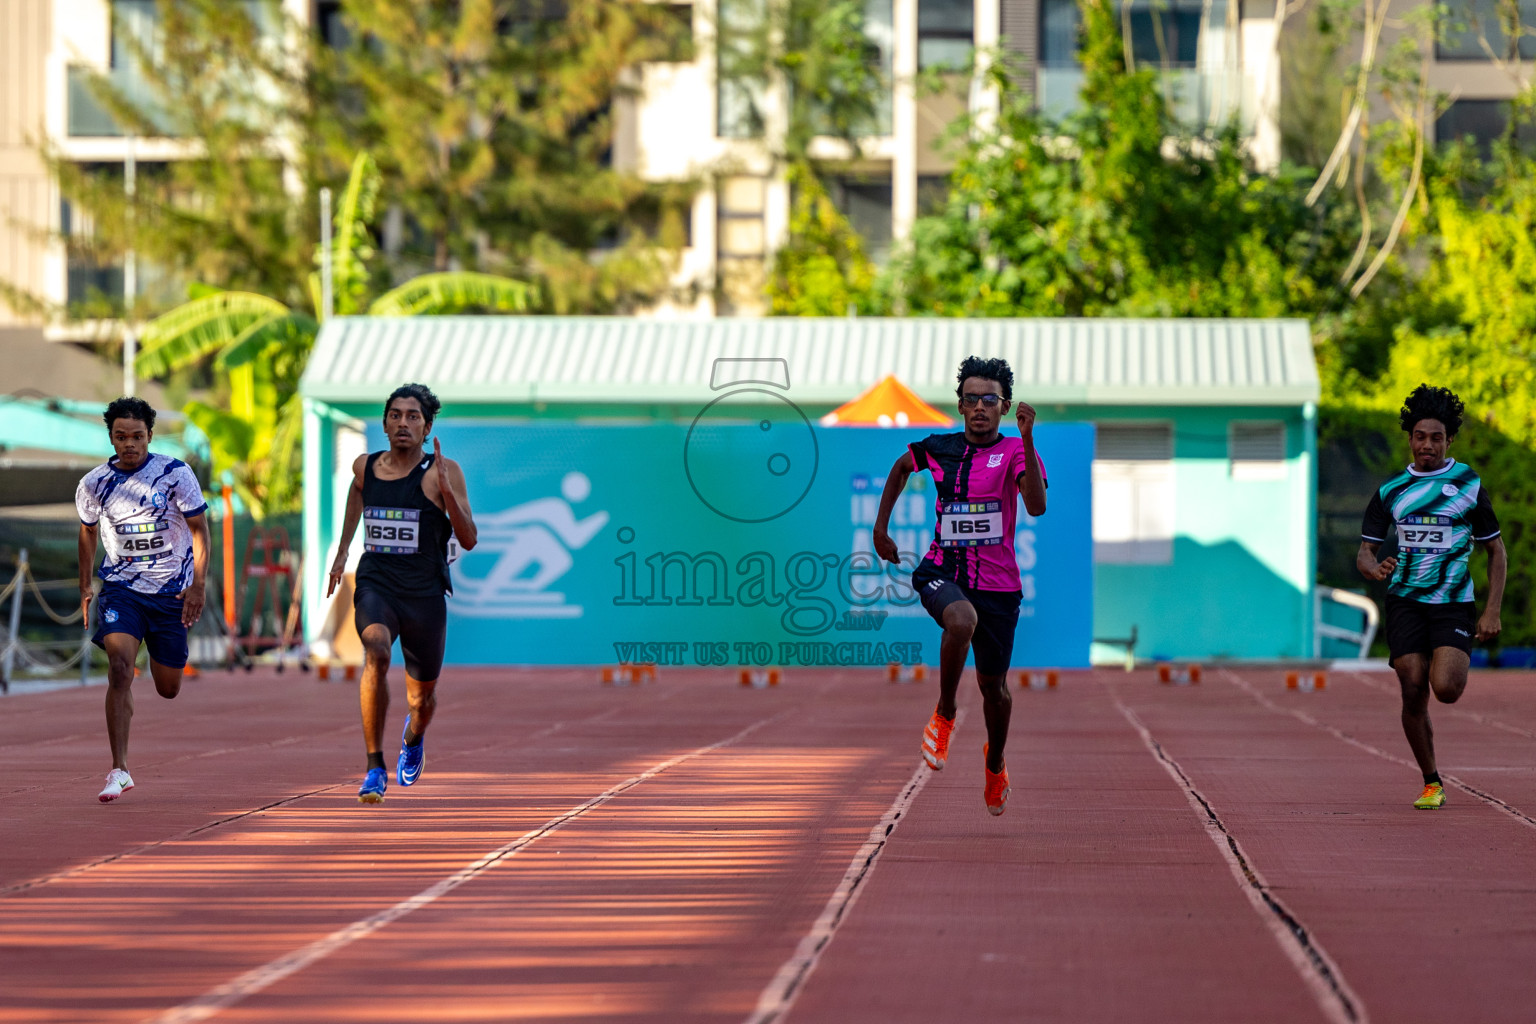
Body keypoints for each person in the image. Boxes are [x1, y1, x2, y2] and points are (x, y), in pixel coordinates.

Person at [873, 356, 1047, 816]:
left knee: (995, 690)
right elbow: (899, 468)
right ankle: (946, 712)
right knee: (960, 619)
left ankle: (994, 764)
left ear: (1004, 407)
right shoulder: (938, 448)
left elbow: (1036, 506)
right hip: (941, 571)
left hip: (999, 587)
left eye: (989, 400)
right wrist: (880, 529)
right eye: (971, 399)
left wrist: (1028, 439)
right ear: (960, 405)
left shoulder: (1013, 452)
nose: (979, 407)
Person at [327, 383, 477, 804]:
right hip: (377, 583)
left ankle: (413, 738)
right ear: (385, 423)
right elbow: (358, 494)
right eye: (395, 415)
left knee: (422, 699)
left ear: (427, 427)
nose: (403, 423)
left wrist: (447, 493)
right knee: (374, 651)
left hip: (425, 594)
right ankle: (375, 767)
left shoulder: (443, 471)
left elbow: (468, 539)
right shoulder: (365, 466)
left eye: (413, 416)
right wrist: (342, 550)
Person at [1358, 384, 1506, 810]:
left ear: (1449, 440)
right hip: (1404, 600)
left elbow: (1496, 550)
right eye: (1420, 436)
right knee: (1411, 688)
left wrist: (1492, 609)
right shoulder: (1391, 492)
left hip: (1453, 602)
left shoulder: (1468, 486)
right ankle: (1431, 781)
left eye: (1436, 437)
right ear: (1410, 438)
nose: (1427, 445)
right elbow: (1365, 552)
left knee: (1446, 689)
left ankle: (1452, 659)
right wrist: (1373, 567)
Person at [76, 397, 210, 802]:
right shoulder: (94, 483)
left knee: (168, 687)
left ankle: (161, 652)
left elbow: (200, 530)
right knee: (119, 668)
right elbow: (86, 532)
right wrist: (86, 585)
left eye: (137, 436)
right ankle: (119, 769)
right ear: (111, 438)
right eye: (121, 437)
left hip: (171, 592)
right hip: (122, 589)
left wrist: (199, 584)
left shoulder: (175, 474)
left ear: (150, 435)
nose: (129, 444)